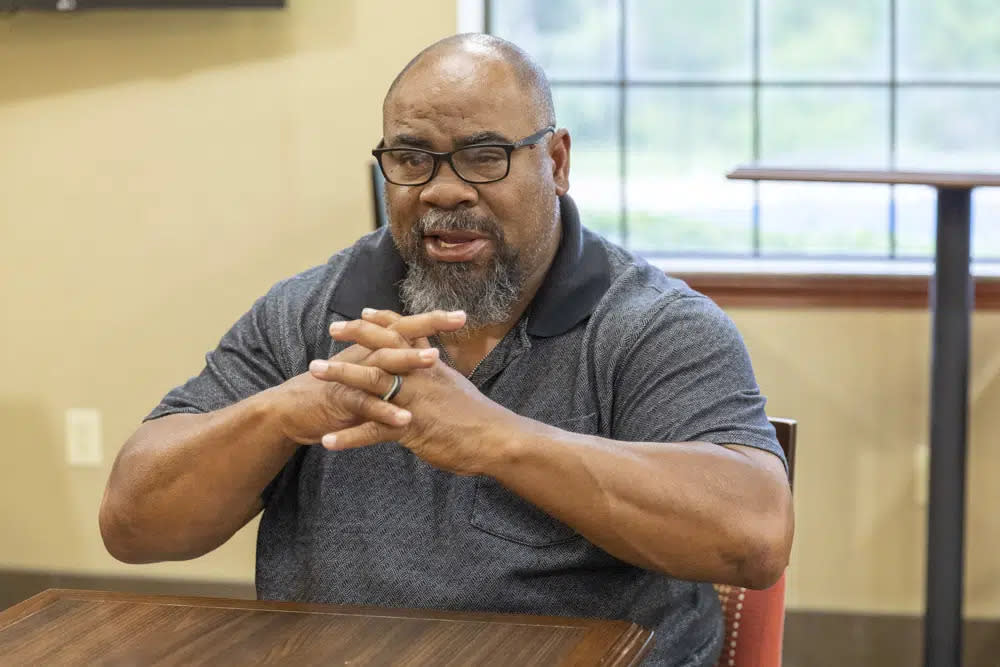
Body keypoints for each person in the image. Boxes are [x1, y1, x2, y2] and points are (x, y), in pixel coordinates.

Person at [99, 33, 793, 666]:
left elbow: (754, 534)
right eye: (410, 159)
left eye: (485, 155)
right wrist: (286, 412)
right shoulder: (310, 314)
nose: (443, 189)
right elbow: (133, 525)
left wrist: (494, 437)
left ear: (556, 162)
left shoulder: (653, 323)